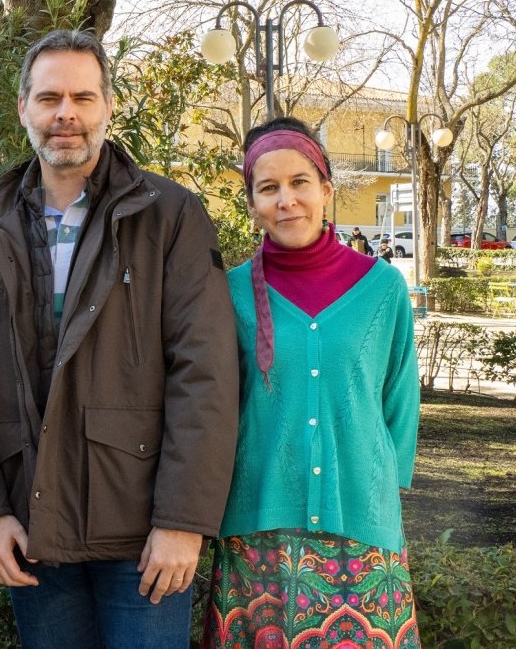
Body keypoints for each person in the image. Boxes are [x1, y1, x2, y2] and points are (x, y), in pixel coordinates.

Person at [0, 29, 239, 648]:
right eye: (49, 98)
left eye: (83, 97)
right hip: (32, 525)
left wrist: (182, 520)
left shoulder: (169, 215)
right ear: (23, 107)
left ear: (108, 105)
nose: (66, 114)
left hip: (143, 535)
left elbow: (205, 372)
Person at [203, 117, 420, 647]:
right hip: (257, 525)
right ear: (252, 203)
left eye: (300, 182)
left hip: (361, 524)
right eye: (268, 188)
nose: (287, 200)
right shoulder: (228, 294)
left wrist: (380, 490)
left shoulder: (384, 289)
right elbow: (213, 407)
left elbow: (399, 399)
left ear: (326, 189)